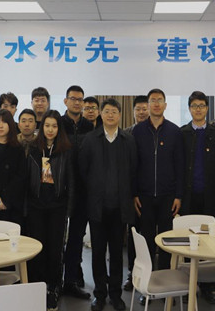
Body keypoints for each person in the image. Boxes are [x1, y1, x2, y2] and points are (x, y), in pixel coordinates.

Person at [79, 99, 137, 311]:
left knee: (117, 253)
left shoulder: (128, 140)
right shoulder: (90, 139)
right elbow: (83, 171)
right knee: (97, 253)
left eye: (114, 111)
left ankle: (115, 294)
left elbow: (134, 170)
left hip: (119, 207)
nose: (110, 115)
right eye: (107, 111)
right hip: (97, 207)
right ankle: (100, 294)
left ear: (120, 115)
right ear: (100, 115)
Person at [132, 89, 184, 277]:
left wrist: (178, 195)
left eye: (159, 100)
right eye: (152, 100)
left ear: (165, 105)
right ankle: (144, 276)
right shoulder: (138, 131)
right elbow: (133, 165)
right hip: (144, 195)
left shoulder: (174, 131)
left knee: (165, 239)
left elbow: (180, 165)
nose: (156, 104)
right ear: (148, 105)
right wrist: (134, 193)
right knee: (145, 238)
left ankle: (163, 276)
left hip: (167, 195)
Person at [26, 110, 73, 311]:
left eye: (54, 126)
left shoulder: (66, 150)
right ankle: (38, 287)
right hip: (36, 206)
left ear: (59, 129)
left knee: (55, 249)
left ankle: (53, 287)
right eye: (47, 125)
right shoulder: (33, 149)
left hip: (57, 207)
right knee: (38, 248)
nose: (50, 130)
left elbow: (71, 181)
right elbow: (26, 178)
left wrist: (69, 208)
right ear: (42, 127)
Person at [180, 91, 215, 304]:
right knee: (188, 242)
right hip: (188, 197)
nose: (198, 109)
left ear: (207, 108)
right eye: (194, 106)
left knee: (208, 242)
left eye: (202, 106)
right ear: (189, 109)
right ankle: (188, 284)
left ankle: (209, 286)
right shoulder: (182, 133)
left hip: (210, 198)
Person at [62, 85, 94, 299]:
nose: (76, 102)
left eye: (80, 99)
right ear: (66, 101)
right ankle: (54, 280)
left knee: (76, 237)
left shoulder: (89, 126)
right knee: (57, 238)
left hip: (83, 190)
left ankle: (71, 280)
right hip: (60, 189)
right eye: (73, 99)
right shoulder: (58, 123)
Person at [122, 94, 149, 291]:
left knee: (149, 235)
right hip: (132, 194)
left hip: (151, 193)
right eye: (138, 109)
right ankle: (132, 273)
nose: (141, 112)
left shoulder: (154, 132)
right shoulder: (126, 134)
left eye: (144, 108)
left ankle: (150, 274)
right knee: (133, 235)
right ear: (132, 112)